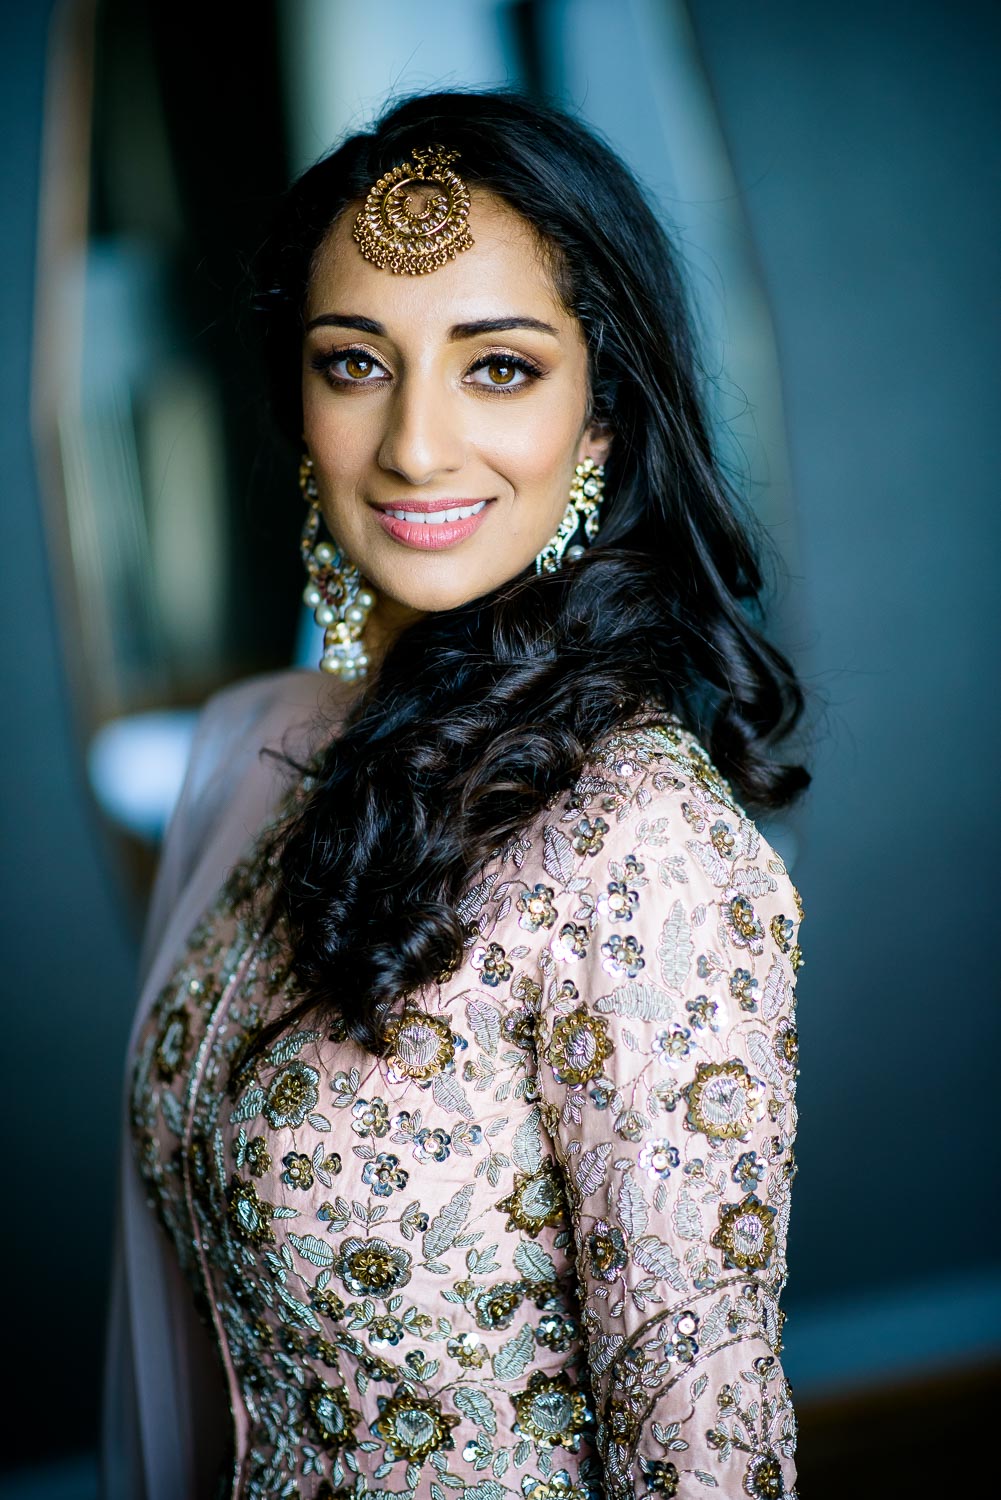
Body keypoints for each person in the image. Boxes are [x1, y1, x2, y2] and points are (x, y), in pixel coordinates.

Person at [103, 90, 809, 1500]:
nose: (415, 445)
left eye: (497, 368)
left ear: (603, 413)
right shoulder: (261, 751)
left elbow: (703, 1458)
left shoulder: (646, 855)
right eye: (355, 363)